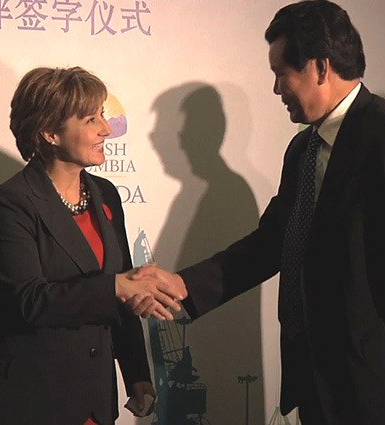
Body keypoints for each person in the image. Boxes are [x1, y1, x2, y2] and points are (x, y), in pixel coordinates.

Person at [131, 1, 385, 424]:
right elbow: (273, 244)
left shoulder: (380, 136)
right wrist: (181, 283)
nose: (275, 90)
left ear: (320, 68)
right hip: (315, 381)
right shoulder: (302, 149)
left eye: (281, 74)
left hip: (371, 382)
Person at [0, 66, 185, 425]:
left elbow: (124, 287)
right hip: (30, 399)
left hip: (94, 398)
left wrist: (137, 374)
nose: (105, 128)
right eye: (90, 119)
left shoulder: (106, 194)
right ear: (50, 132)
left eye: (102, 115)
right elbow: (28, 301)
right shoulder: (11, 202)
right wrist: (115, 286)